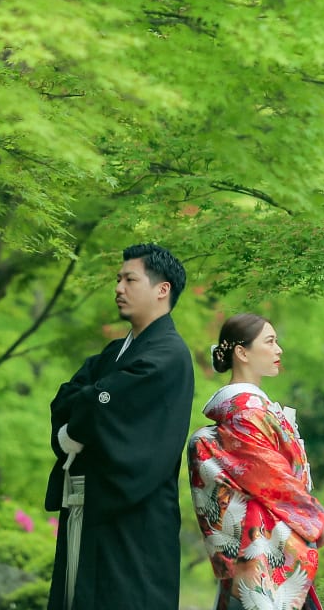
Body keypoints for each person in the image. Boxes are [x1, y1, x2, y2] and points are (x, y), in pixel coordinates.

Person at [44, 243, 195, 610]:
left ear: (163, 290)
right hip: (91, 503)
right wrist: (82, 417)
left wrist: (79, 423)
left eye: (130, 279)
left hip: (134, 513)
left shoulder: (168, 355)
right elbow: (66, 397)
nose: (118, 288)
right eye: (118, 279)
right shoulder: (116, 353)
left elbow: (96, 403)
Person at [187, 313, 324, 610]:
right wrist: (314, 520)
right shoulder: (244, 410)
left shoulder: (250, 406)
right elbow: (271, 477)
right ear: (242, 352)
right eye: (270, 341)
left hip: (263, 539)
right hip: (264, 542)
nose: (279, 350)